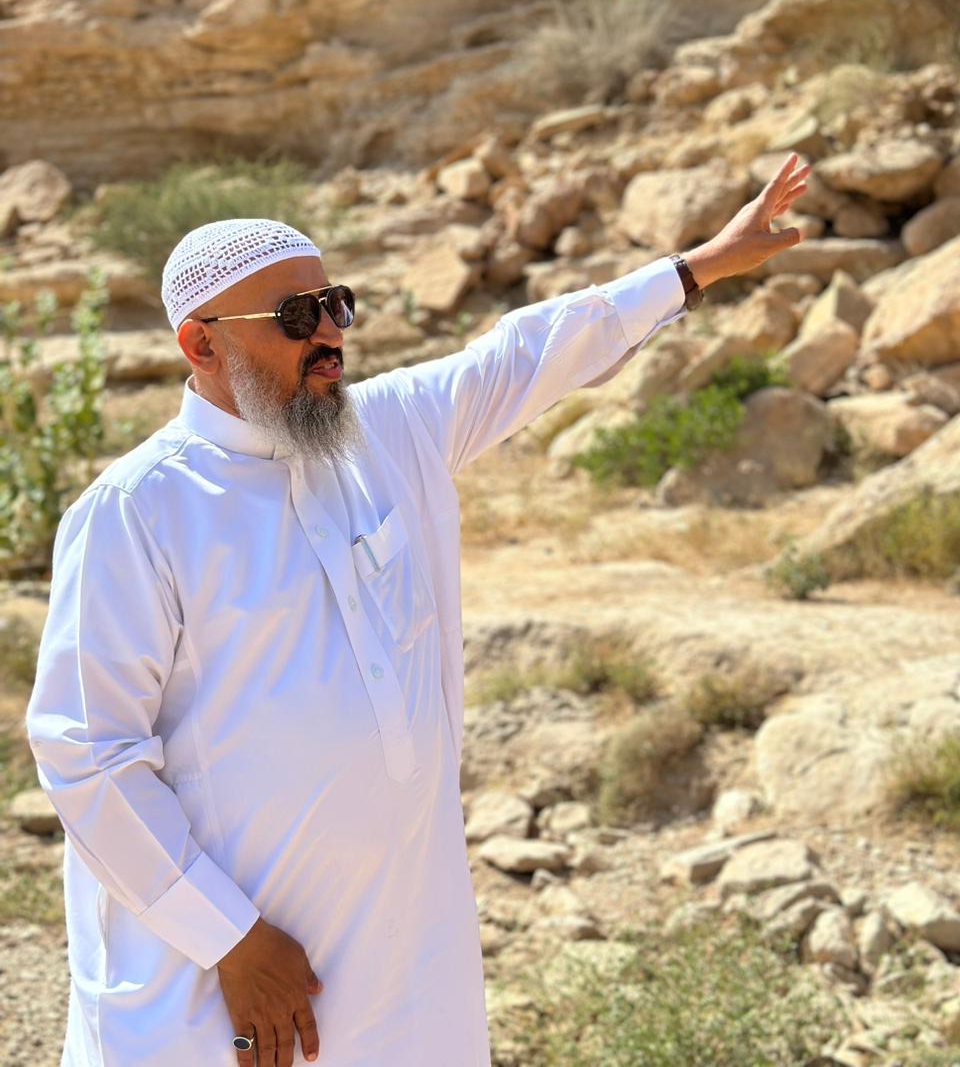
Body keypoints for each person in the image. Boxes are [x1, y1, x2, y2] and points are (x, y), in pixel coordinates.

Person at [26, 154, 809, 1067]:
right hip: (221, 977)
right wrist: (228, 940)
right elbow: (88, 751)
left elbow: (525, 353)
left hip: (405, 948)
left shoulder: (387, 431)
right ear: (202, 346)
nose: (329, 334)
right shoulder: (137, 510)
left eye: (335, 305)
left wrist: (700, 267)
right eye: (295, 318)